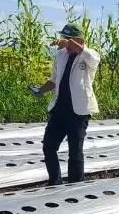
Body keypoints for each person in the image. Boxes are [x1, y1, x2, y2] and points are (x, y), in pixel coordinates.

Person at [33, 24, 101, 185]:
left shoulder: (90, 55)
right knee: (49, 146)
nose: (65, 43)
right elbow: (54, 80)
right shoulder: (61, 55)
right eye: (64, 38)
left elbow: (91, 57)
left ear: (80, 40)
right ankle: (55, 182)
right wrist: (41, 90)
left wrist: (70, 44)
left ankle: (75, 186)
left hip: (79, 112)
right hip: (59, 109)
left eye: (69, 39)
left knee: (75, 152)